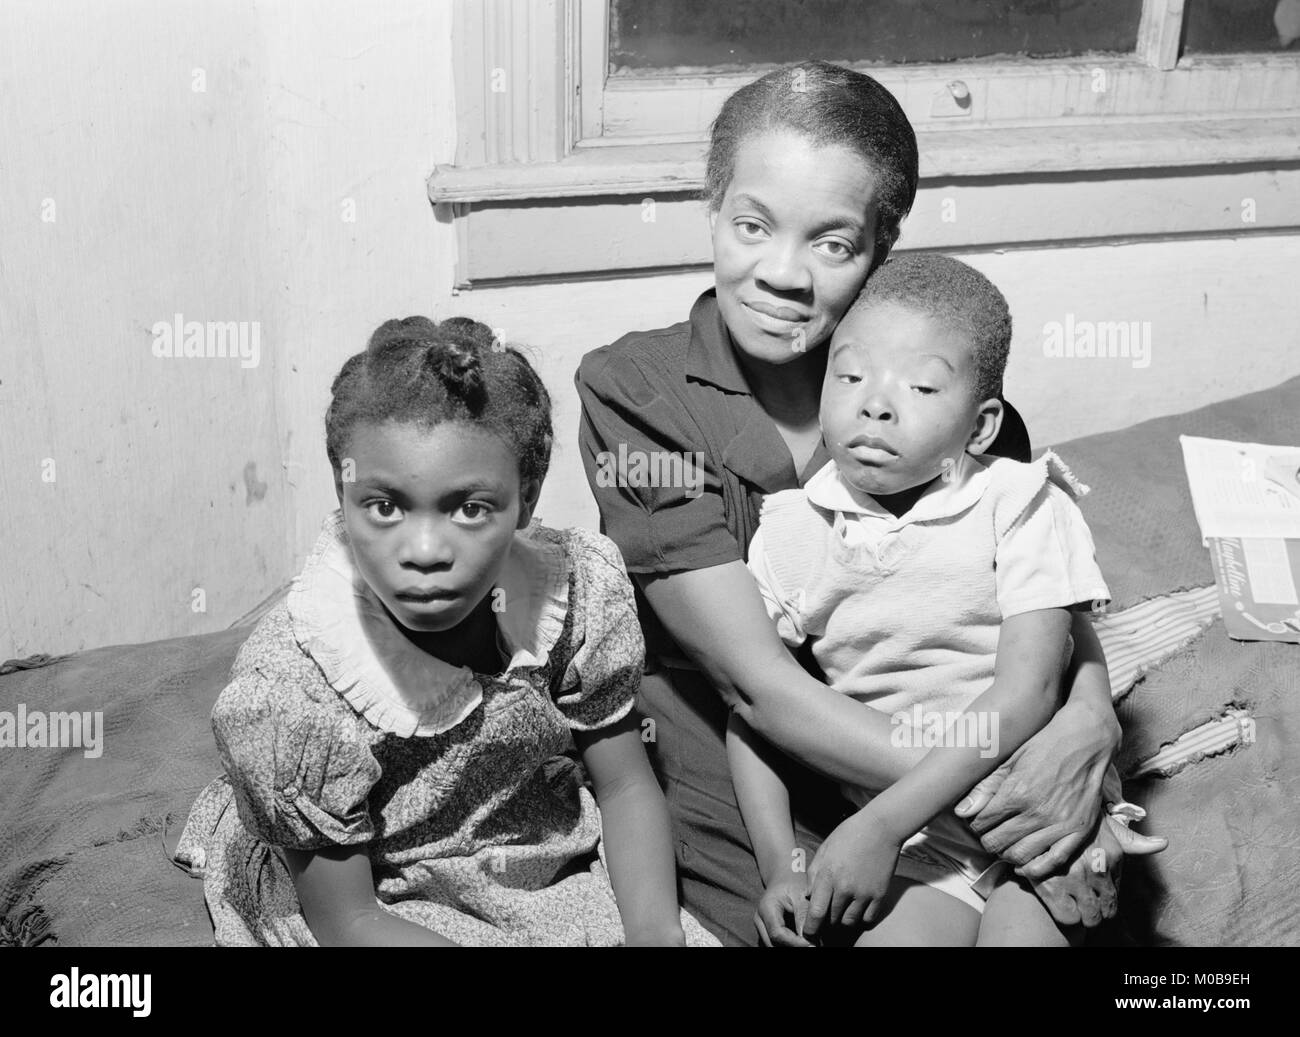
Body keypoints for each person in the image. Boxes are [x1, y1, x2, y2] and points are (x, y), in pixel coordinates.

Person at [575, 61, 1165, 947]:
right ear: (709, 205)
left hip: (950, 756)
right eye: (751, 225)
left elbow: (1038, 602)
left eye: (833, 242)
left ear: (884, 245)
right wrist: (1021, 797)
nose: (782, 273)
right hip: (760, 780)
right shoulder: (636, 392)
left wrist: (1087, 731)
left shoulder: (939, 388)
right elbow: (759, 688)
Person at [176, 316, 716, 946]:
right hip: (379, 895)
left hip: (531, 854)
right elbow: (347, 920)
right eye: (384, 507)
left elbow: (623, 783)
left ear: (528, 498)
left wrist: (654, 929)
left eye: (470, 508)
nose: (426, 550)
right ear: (342, 493)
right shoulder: (293, 692)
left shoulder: (572, 594)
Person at [732, 253, 1118, 947]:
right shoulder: (794, 529)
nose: (874, 403)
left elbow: (1027, 693)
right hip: (919, 851)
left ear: (980, 426)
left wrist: (874, 825)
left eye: (920, 387)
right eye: (849, 376)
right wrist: (780, 865)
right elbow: (756, 709)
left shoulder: (1021, 502)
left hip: (1041, 823)